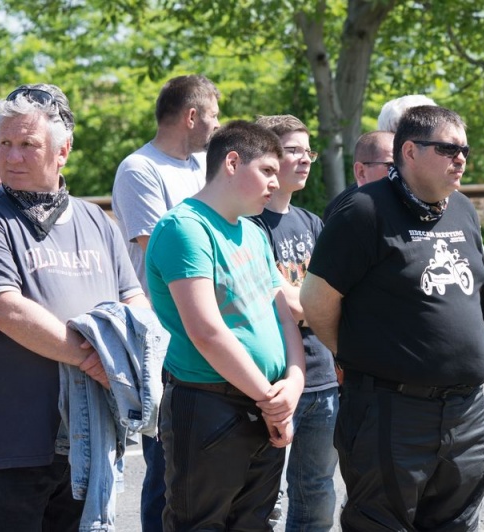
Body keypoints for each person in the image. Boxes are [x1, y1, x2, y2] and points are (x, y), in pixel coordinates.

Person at [0, 84, 146, 532]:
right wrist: (99, 360)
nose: (11, 157)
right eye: (5, 144)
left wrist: (126, 362)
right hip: (12, 443)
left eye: (27, 144)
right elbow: (7, 309)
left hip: (90, 436)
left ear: (63, 151)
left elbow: (133, 299)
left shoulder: (96, 220)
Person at [302, 105, 484, 530]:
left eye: (464, 150)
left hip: (467, 413)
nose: (460, 159)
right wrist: (350, 352)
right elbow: (316, 299)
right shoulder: (363, 210)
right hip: (392, 412)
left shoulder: (462, 208)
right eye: (448, 149)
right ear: (409, 151)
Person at [145, 120, 305, 531]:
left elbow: (283, 315)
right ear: (232, 163)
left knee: (254, 524)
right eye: (267, 170)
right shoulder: (185, 227)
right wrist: (271, 399)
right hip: (209, 405)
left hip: (265, 404)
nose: (276, 182)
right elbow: (206, 330)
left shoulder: (253, 232)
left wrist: (293, 383)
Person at [111, 73, 220, 532]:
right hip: (166, 339)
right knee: (166, 470)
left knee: (209, 470)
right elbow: (160, 247)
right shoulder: (140, 169)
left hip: (212, 328)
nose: (217, 125)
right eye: (213, 116)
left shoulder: (204, 165)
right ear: (191, 116)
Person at [249, 114, 338, 531]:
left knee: (317, 494)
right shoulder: (248, 225)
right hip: (274, 383)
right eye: (292, 151)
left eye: (308, 151)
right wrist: (322, 305)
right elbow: (289, 303)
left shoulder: (311, 222)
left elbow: (333, 294)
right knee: (266, 500)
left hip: (323, 379)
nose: (304, 159)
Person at [322, 130, 393, 221]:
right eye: (391, 165)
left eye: (403, 164)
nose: (400, 171)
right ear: (361, 172)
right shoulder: (344, 215)